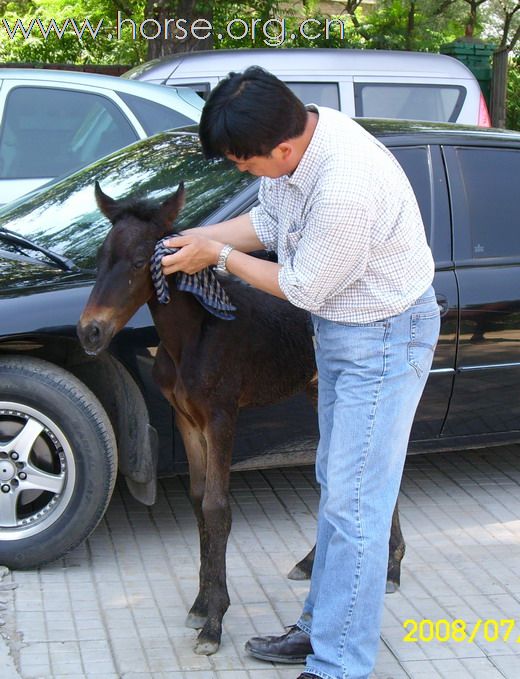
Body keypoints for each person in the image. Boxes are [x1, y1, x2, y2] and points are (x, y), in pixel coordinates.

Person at [161, 66, 440, 679]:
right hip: (346, 330)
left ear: (281, 147)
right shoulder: (304, 143)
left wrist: (222, 259)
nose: (241, 170)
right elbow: (266, 223)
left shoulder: (345, 184)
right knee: (339, 489)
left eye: (242, 161)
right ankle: (321, 630)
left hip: (386, 337)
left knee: (355, 503)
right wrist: (195, 239)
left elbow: (302, 285)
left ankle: (340, 662)